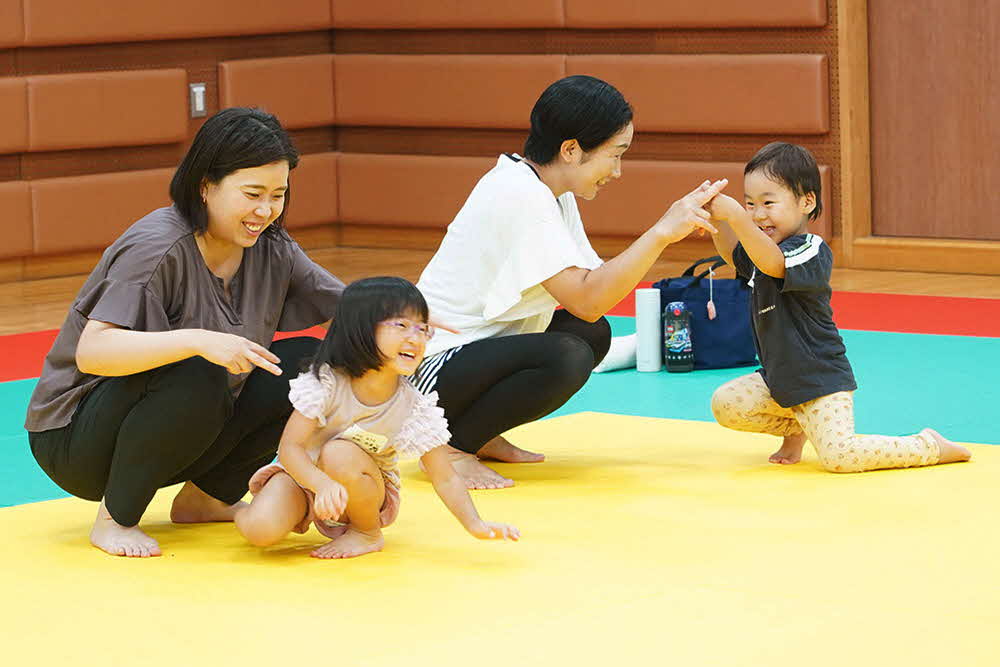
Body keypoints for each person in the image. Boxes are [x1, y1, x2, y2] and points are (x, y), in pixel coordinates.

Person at [24, 108, 347, 558]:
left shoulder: (271, 245)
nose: (266, 210)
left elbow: (347, 310)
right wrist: (197, 339)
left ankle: (207, 498)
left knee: (307, 366)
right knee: (197, 368)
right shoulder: (157, 246)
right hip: (76, 440)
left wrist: (404, 320)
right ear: (205, 185)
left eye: (278, 195)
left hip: (183, 435)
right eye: (252, 193)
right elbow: (93, 352)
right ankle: (114, 520)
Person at [414, 75, 726, 489]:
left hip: (466, 360)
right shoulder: (522, 196)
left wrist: (664, 231)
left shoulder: (548, 190)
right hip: (426, 375)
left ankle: (479, 434)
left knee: (590, 334)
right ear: (571, 150)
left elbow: (594, 290)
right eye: (614, 155)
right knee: (568, 355)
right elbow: (586, 298)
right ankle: (452, 448)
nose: (617, 171)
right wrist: (661, 233)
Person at [706, 142, 971, 472]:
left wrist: (735, 216)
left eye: (768, 203)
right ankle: (797, 428)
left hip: (821, 382)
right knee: (726, 404)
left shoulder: (810, 249)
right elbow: (736, 255)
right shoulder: (762, 250)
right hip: (780, 381)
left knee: (839, 457)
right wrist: (714, 221)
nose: (758, 214)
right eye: (749, 205)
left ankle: (928, 446)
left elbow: (773, 263)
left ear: (807, 202)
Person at [235, 277, 519, 559]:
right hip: (305, 478)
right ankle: (238, 510)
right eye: (401, 325)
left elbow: (444, 477)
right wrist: (320, 484)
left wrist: (475, 524)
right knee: (260, 532)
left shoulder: (412, 405)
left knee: (339, 452)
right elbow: (290, 448)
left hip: (364, 491)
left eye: (423, 329)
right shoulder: (327, 383)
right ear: (361, 329)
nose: (416, 337)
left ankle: (365, 532)